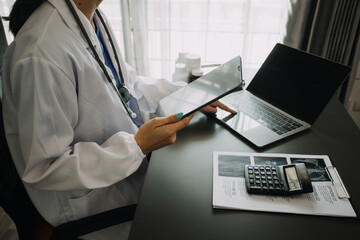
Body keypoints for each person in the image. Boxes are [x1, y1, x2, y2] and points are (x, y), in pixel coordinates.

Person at [1, 0, 235, 239]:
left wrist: (187, 96)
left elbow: (125, 86)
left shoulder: (90, 17)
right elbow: (47, 167)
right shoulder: (40, 53)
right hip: (90, 206)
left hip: (126, 168)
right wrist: (137, 146)